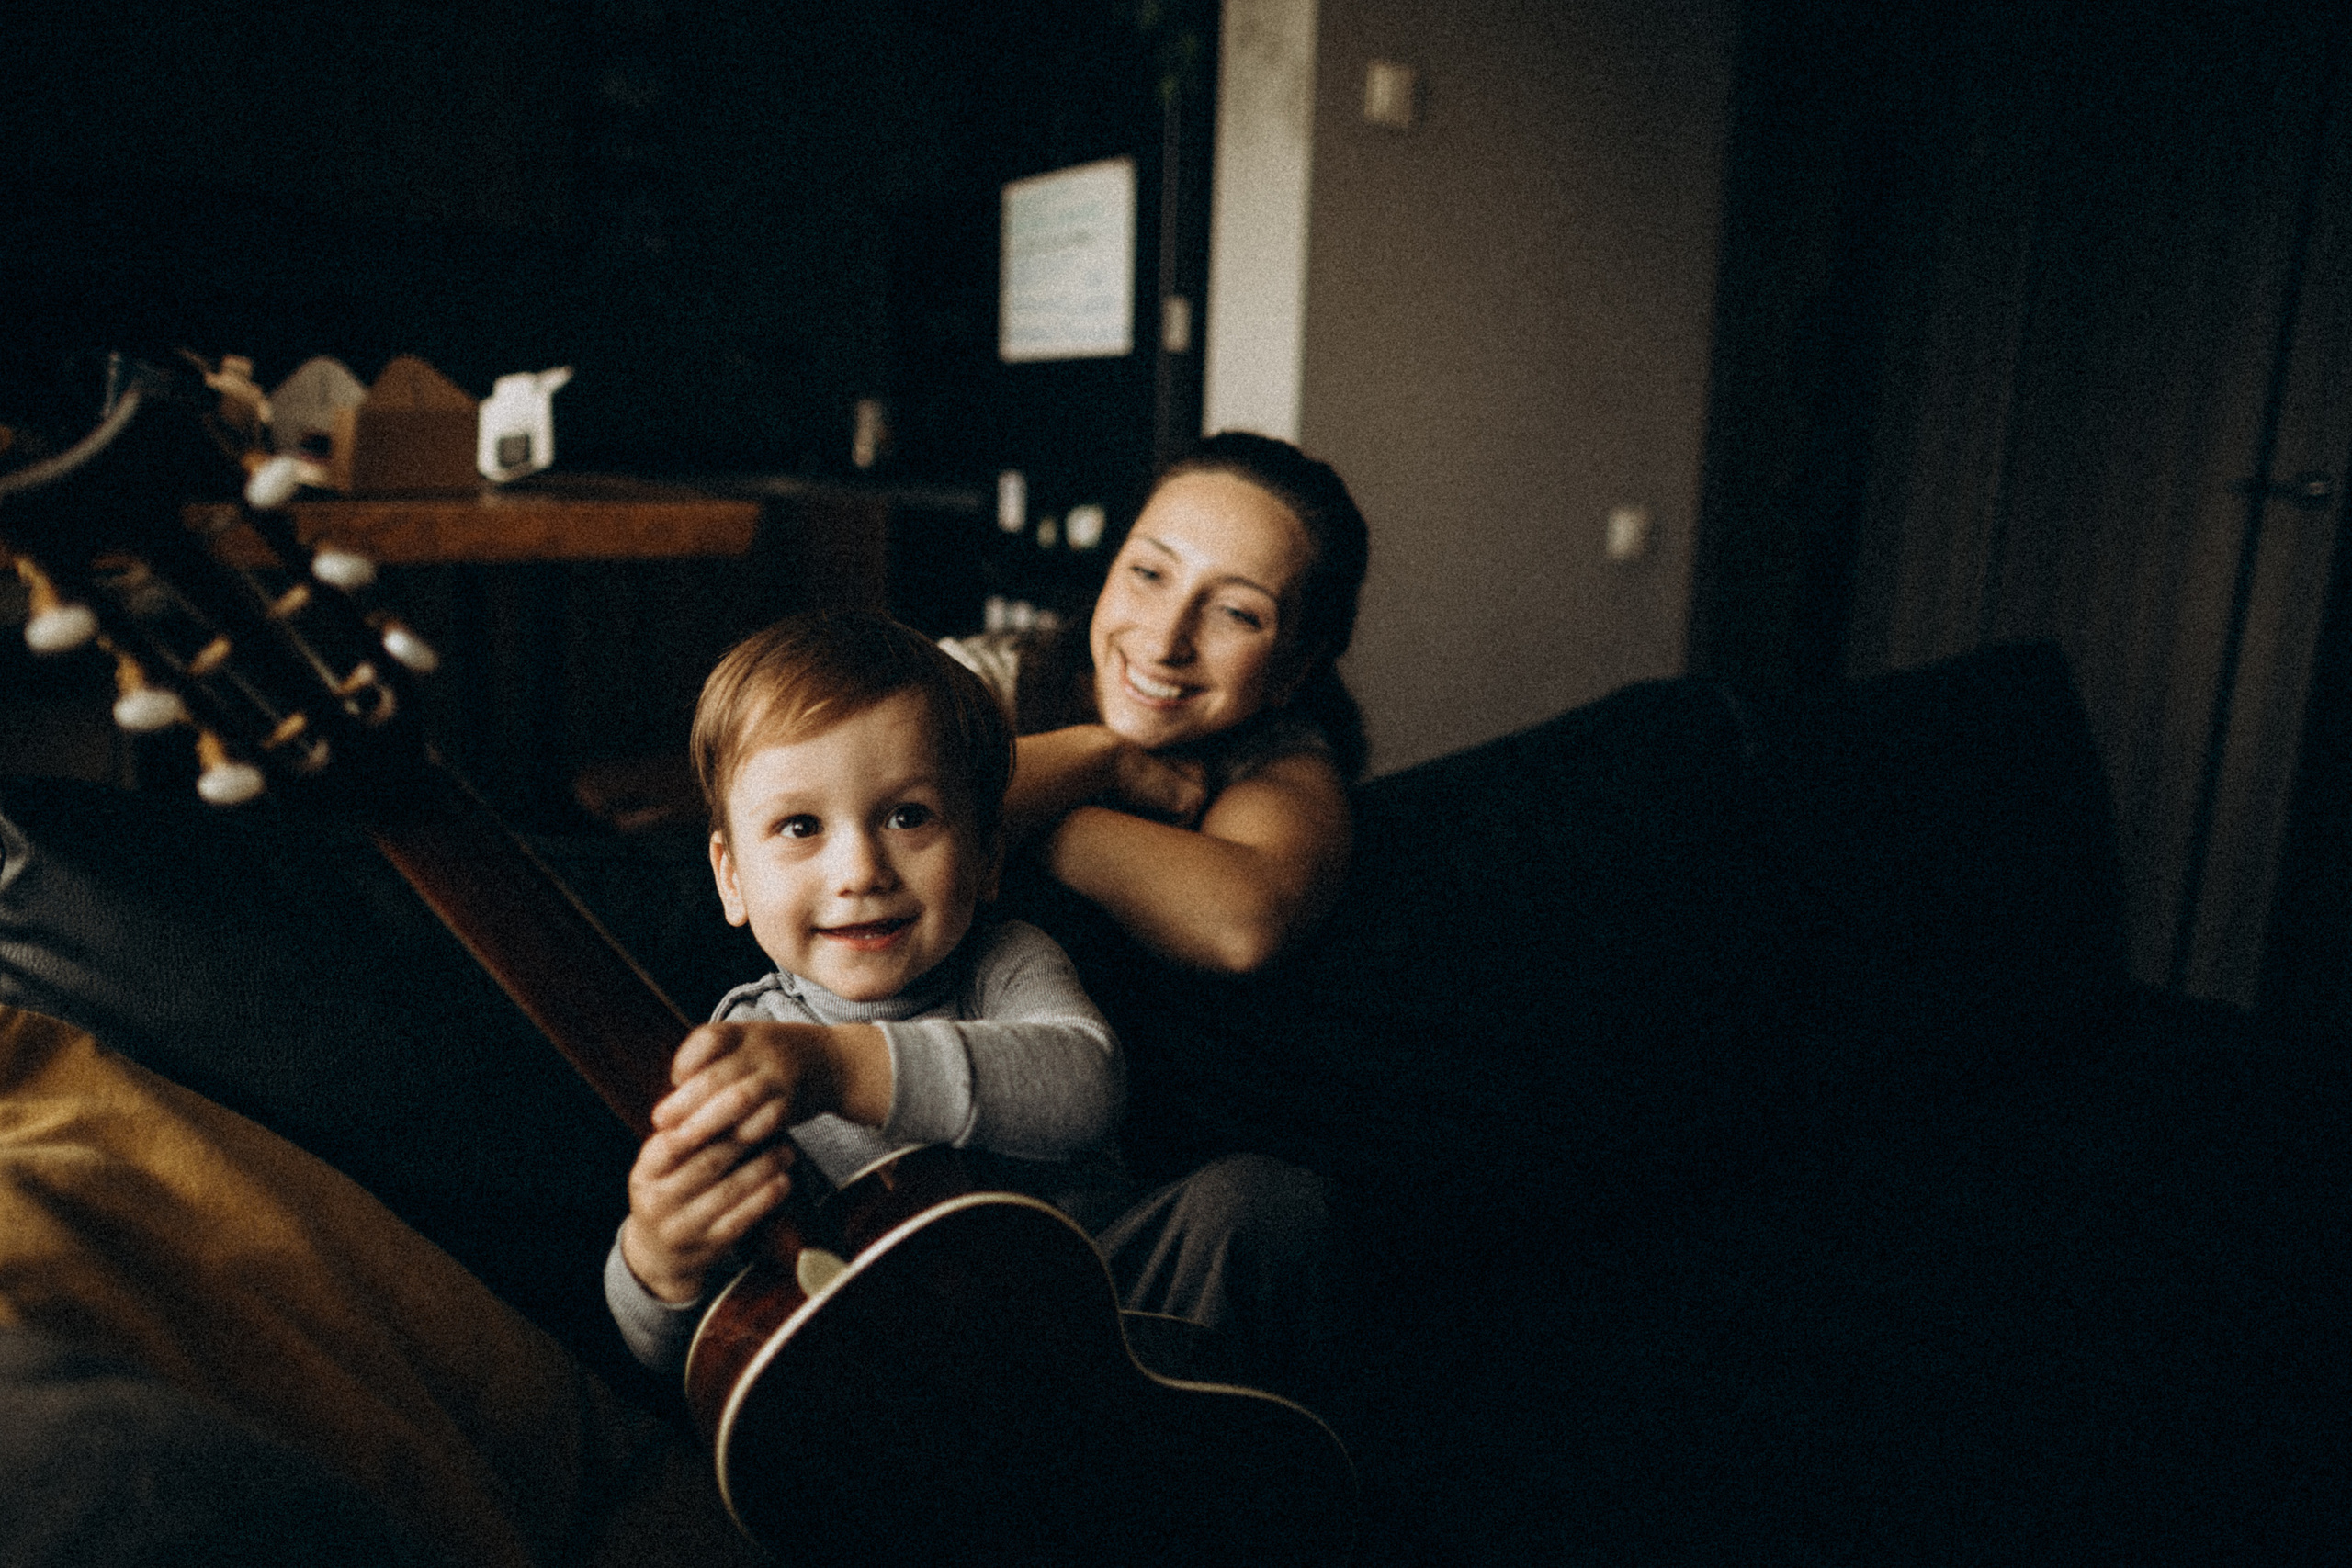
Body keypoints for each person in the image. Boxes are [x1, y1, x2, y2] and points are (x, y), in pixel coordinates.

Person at [603, 609, 1329, 1395]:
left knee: (1265, 1204)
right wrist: (658, 1261)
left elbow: (1087, 1089)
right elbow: (695, 1346)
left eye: (907, 815)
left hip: (1111, 1309)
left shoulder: (1003, 961)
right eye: (800, 825)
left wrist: (839, 1066)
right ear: (731, 876)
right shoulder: (744, 1046)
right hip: (913, 1374)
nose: (860, 868)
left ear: (987, 854)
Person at [943, 431, 1370, 978]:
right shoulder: (979, 681)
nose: (1166, 641)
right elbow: (842, 812)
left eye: (1237, 613)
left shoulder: (1278, 755)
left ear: (1295, 667)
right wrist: (1099, 758)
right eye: (1149, 573)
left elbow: (1242, 925)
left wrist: (1024, 816)